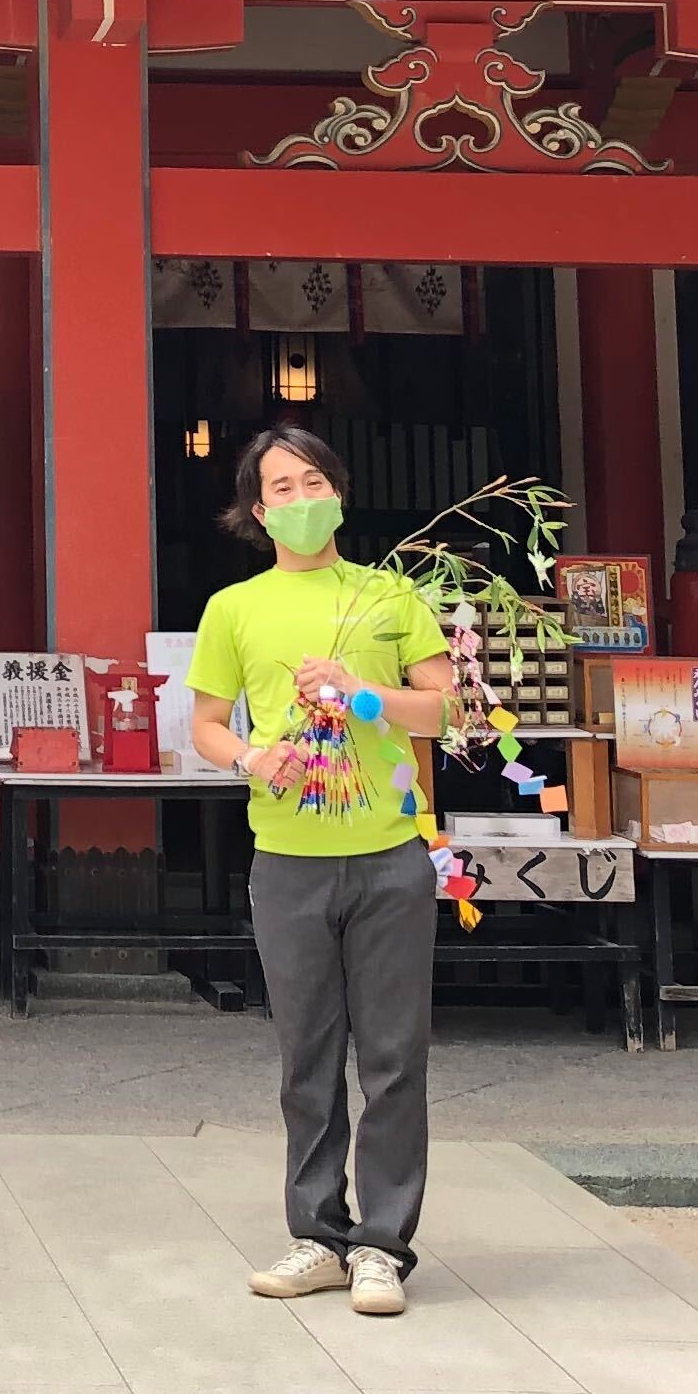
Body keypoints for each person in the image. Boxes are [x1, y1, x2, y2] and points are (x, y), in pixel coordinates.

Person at [183, 423, 457, 1318]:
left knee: (392, 1057)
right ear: (258, 512)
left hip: (388, 854)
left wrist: (363, 690)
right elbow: (209, 723)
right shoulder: (235, 608)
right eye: (282, 489)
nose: (302, 502)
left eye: (313, 483)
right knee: (306, 1057)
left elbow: (446, 707)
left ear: (339, 493)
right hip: (288, 861)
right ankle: (316, 1235)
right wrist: (252, 760)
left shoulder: (389, 597)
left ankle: (383, 1245)